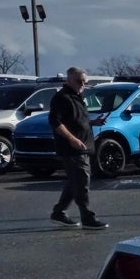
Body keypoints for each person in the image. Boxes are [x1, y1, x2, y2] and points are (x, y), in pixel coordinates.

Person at [49, 67, 108, 230]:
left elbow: (77, 120)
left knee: (74, 181)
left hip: (84, 146)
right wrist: (72, 139)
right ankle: (87, 217)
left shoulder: (77, 97)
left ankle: (59, 212)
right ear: (68, 80)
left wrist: (93, 123)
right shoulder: (62, 98)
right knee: (82, 181)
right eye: (78, 81)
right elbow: (56, 122)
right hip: (72, 148)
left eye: (84, 81)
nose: (82, 84)